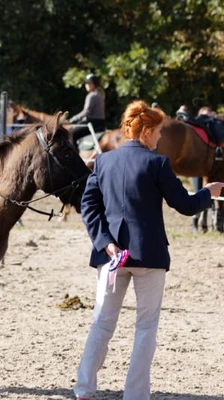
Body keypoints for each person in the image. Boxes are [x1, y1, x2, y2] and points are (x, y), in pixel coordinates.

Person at [73, 100, 224, 400]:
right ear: (148, 132)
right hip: (149, 255)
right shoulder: (158, 163)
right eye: (157, 133)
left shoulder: (103, 162)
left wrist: (105, 242)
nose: (159, 139)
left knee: (102, 323)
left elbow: (88, 206)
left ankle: (84, 388)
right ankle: (135, 395)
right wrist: (210, 192)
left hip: (111, 256)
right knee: (146, 328)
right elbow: (185, 205)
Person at [69, 73, 106, 151]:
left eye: (88, 83)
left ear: (93, 84)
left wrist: (72, 119)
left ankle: (75, 157)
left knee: (72, 133)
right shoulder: (100, 94)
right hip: (101, 123)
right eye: (86, 83)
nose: (86, 85)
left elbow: (86, 112)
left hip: (92, 123)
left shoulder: (91, 95)